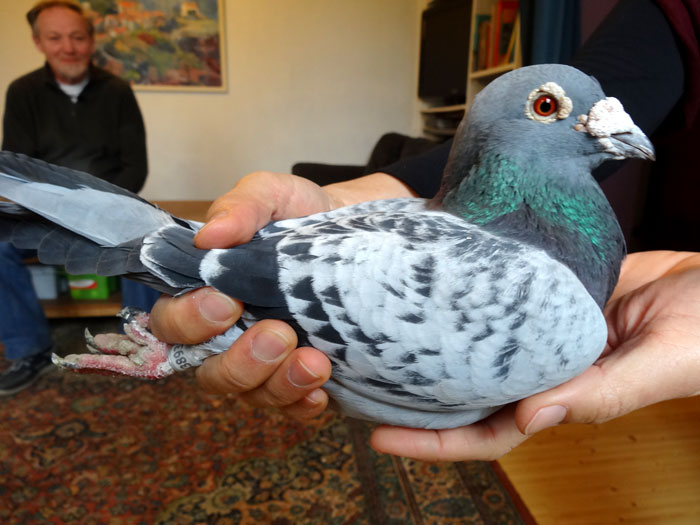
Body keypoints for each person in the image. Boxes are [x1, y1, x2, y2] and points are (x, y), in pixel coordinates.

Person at [149, 0, 700, 461]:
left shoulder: (541, 296)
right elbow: (659, 42)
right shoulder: (536, 301)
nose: (613, 123)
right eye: (547, 105)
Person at [0, 0, 159, 395]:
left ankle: (145, 344)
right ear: (39, 42)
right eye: (55, 38)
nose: (68, 47)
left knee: (151, 241)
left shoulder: (118, 91)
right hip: (40, 214)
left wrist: (97, 210)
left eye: (77, 37)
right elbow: (17, 170)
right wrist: (56, 212)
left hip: (109, 209)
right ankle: (29, 349)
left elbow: (135, 168)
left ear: (91, 40)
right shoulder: (22, 92)